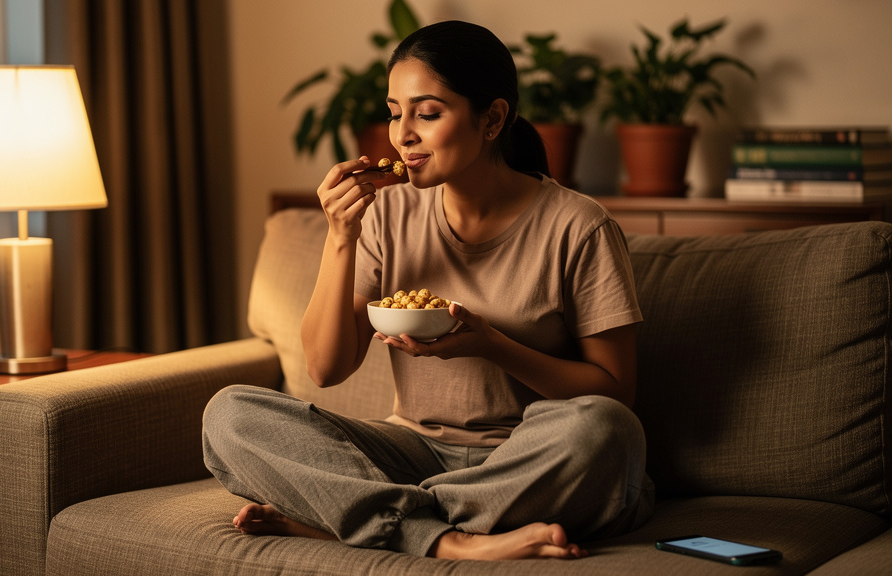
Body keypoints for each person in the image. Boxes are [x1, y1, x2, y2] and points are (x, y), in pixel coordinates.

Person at [203, 20, 653, 561]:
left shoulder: (579, 226)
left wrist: (492, 345)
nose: (402, 134)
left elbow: (614, 391)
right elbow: (325, 369)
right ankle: (449, 540)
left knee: (607, 431)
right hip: (411, 447)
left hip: (524, 453)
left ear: (491, 119)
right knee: (230, 414)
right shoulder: (388, 214)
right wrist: (341, 237)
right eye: (395, 112)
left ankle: (362, 519)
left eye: (428, 113)